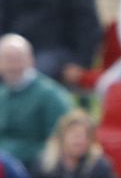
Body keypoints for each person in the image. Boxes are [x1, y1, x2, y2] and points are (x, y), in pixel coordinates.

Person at [0, 33, 74, 170]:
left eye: (17, 59)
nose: (12, 66)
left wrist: (14, 154)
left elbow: (60, 142)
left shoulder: (51, 96)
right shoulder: (2, 94)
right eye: (7, 60)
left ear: (30, 60)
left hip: (35, 169)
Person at [30, 108, 119, 178]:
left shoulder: (100, 167)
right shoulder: (44, 166)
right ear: (61, 137)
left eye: (83, 136)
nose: (78, 140)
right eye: (73, 135)